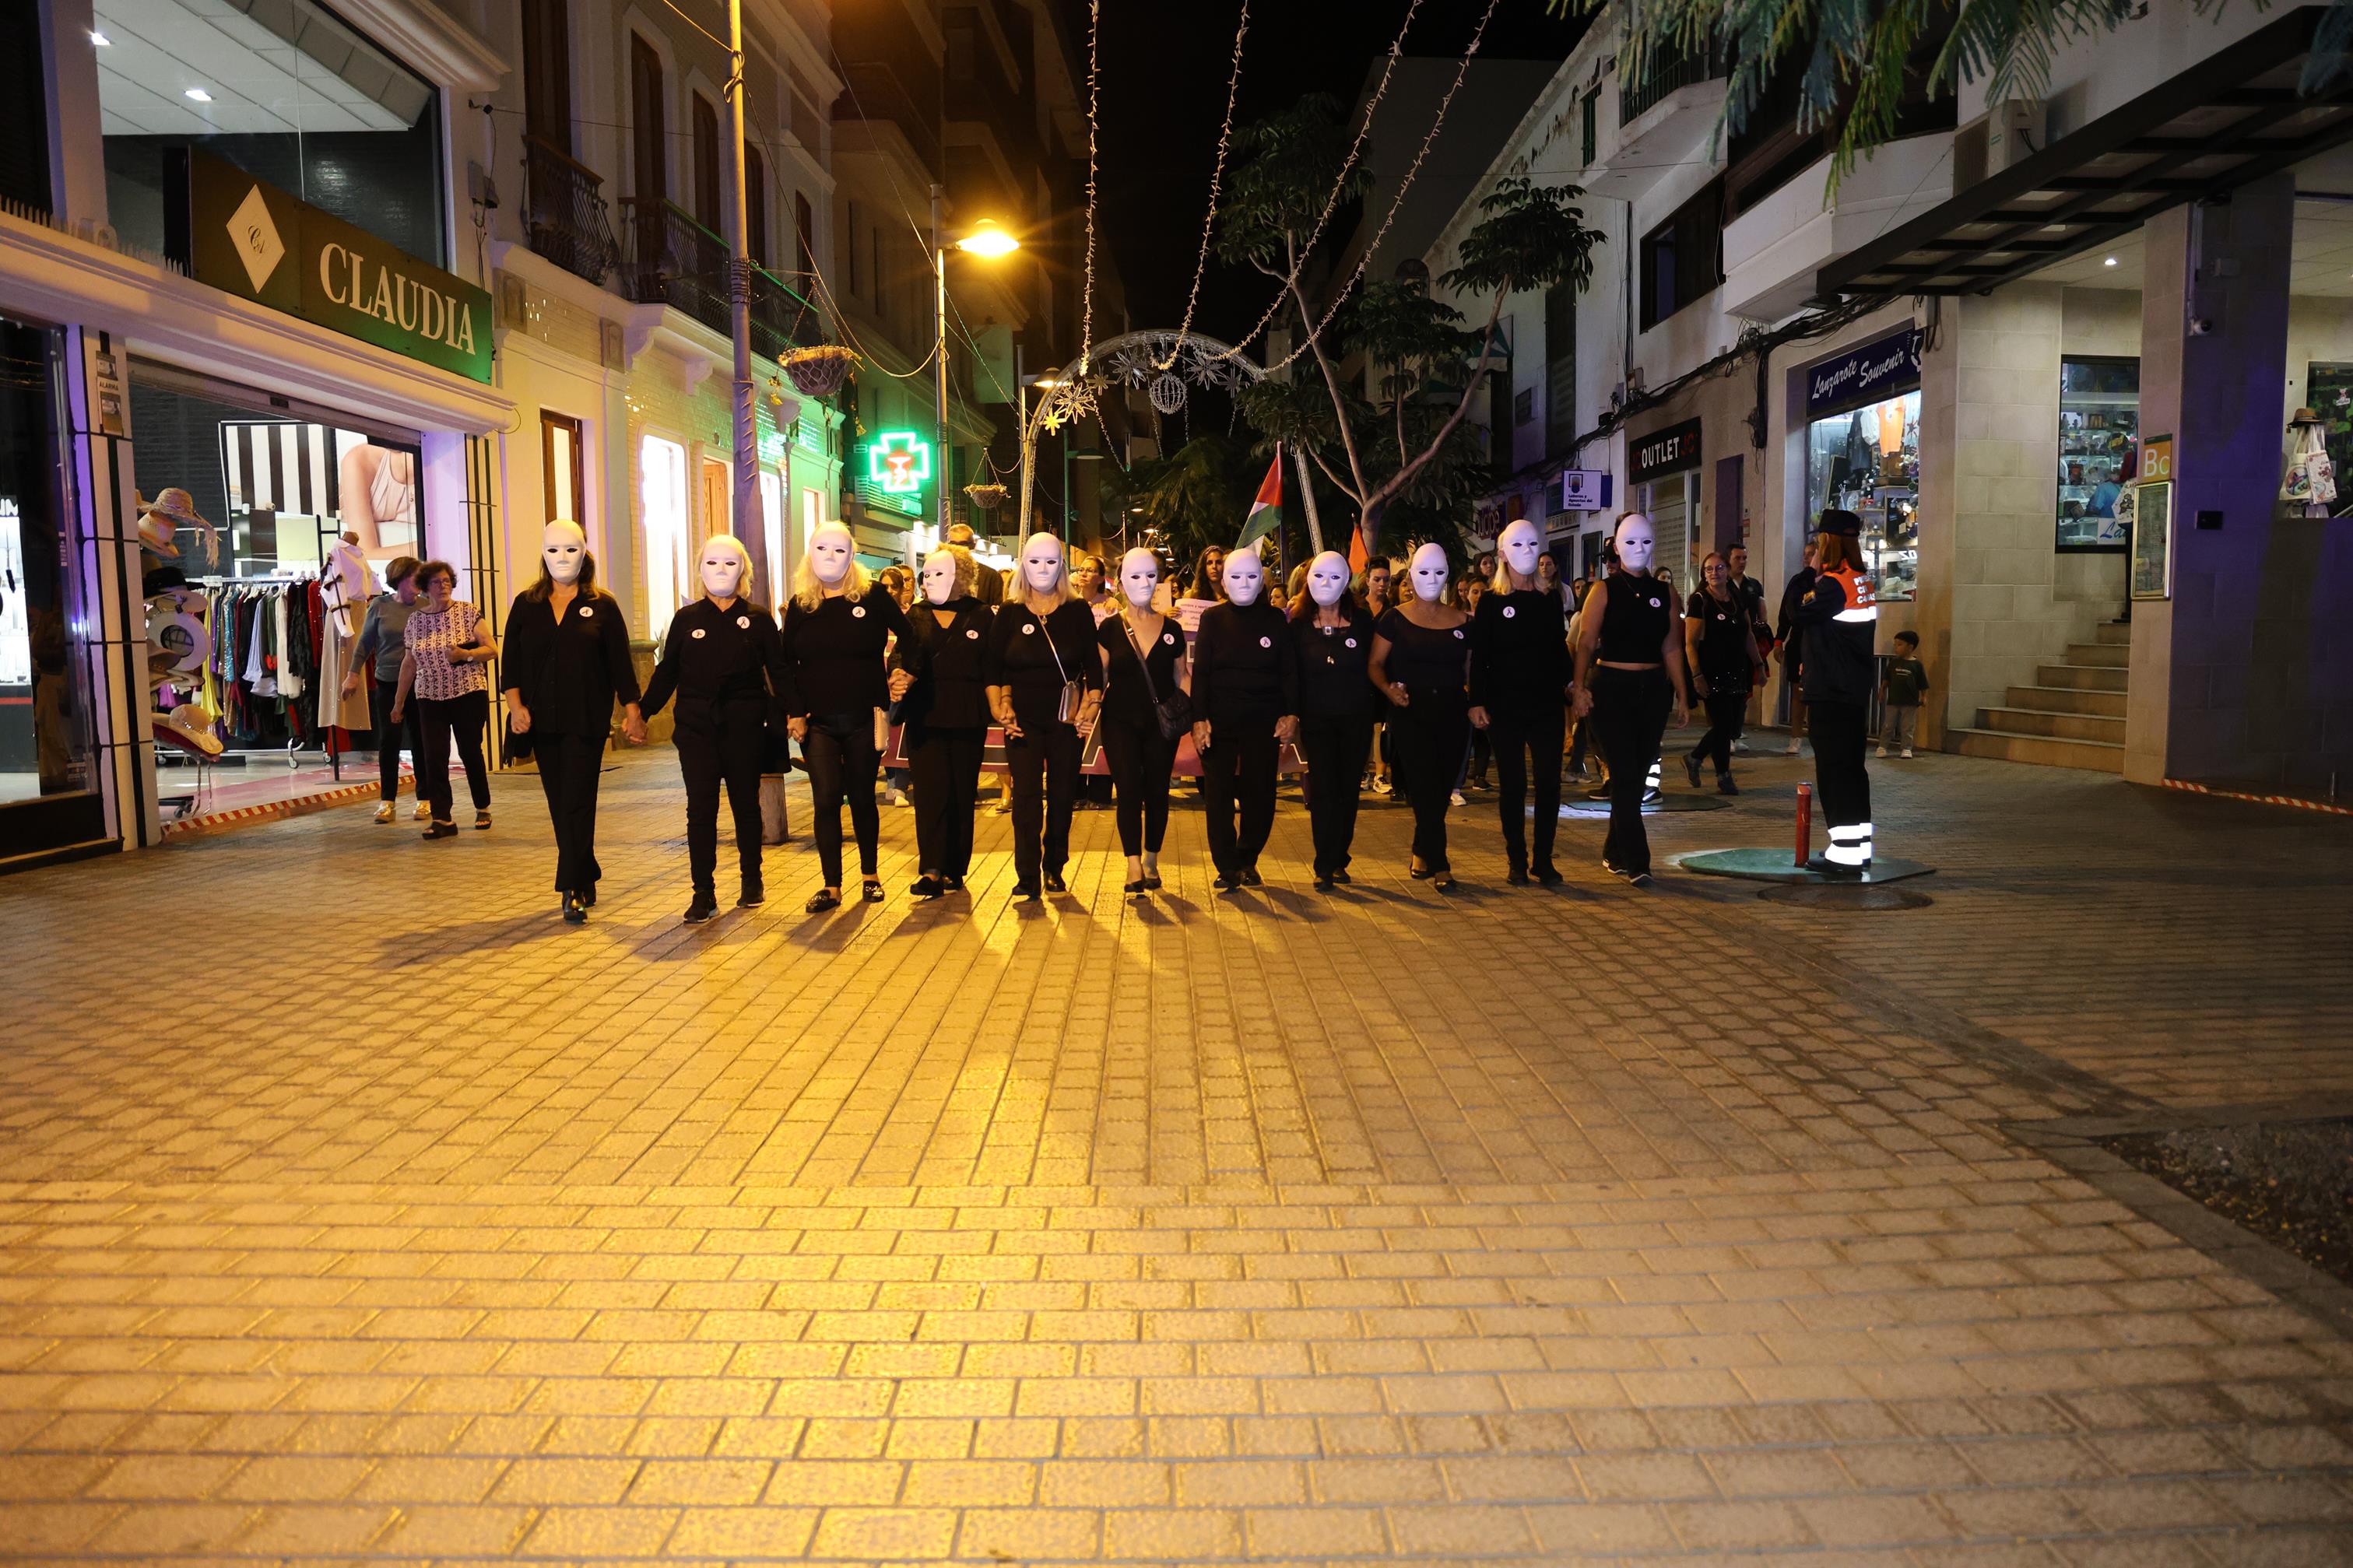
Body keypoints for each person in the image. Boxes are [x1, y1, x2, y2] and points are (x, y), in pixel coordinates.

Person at [501, 521, 644, 924]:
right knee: (559, 801)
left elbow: (620, 665)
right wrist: (515, 707)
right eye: (554, 551)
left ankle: (572, 887)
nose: (562, 558)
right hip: (541, 719)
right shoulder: (526, 604)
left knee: (578, 799)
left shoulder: (603, 605)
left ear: (583, 553)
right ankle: (586, 868)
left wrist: (633, 710)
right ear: (543, 555)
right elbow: (510, 663)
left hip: (586, 718)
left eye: (570, 550)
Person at [636, 535, 782, 921]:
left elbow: (779, 672)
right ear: (701, 569)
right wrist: (643, 712)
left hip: (743, 727)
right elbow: (667, 672)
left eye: (729, 564)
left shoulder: (759, 618)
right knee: (700, 810)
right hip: (697, 728)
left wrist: (795, 714)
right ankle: (703, 892)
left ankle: (752, 879)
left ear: (743, 572)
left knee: (745, 805)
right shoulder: (686, 620)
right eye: (712, 563)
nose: (720, 570)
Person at [778, 521, 911, 913]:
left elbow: (910, 634)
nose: (830, 558)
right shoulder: (801, 605)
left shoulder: (871, 596)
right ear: (810, 554)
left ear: (852, 556)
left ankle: (870, 876)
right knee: (824, 801)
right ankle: (832, 885)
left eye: (839, 551)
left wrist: (901, 672)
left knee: (861, 799)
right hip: (816, 721)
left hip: (863, 717)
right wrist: (794, 712)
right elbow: (785, 663)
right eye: (822, 550)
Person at [1572, 513, 1693, 887]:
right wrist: (1578, 688)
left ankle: (1613, 852)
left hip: (1653, 690)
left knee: (1634, 777)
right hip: (1611, 689)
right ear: (1616, 546)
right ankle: (1639, 860)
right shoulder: (1604, 590)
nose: (1638, 549)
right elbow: (1586, 642)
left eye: (1644, 542)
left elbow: (1672, 646)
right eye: (1629, 542)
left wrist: (1683, 696)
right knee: (1625, 773)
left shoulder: (1665, 592)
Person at [987, 532, 1103, 899]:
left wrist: (1092, 704)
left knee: (1062, 794)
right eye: (1034, 561)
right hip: (1022, 720)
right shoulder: (1009, 613)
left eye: (1051, 562)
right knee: (1025, 799)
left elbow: (1093, 669)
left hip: (1065, 719)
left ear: (1062, 567)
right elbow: (992, 667)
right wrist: (998, 705)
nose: (1042, 569)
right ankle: (1027, 875)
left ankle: (1054, 865)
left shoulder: (1077, 611)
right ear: (1023, 564)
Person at [1191, 549, 1298, 892]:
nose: (1244, 584)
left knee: (1261, 794)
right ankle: (1226, 865)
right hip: (1219, 722)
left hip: (1263, 721)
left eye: (1252, 577)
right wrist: (1199, 719)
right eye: (1235, 577)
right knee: (1218, 796)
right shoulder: (1212, 619)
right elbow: (1202, 674)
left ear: (1262, 581)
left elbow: (1288, 672)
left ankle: (1248, 857)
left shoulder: (1275, 620)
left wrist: (1291, 714)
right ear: (1223, 581)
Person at [1470, 520, 1571, 886]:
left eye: (1533, 544)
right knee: (1513, 784)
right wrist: (1477, 701)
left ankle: (1543, 859)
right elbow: (1480, 656)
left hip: (1545, 705)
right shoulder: (1492, 603)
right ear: (1502, 555)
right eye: (1519, 545)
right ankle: (1517, 860)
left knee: (1549, 783)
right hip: (1505, 706)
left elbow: (1558, 650)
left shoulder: (1549, 599)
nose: (1528, 552)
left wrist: (1573, 685)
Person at [1369, 542, 1471, 891]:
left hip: (1453, 716)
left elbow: (1473, 670)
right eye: (1423, 571)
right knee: (1424, 786)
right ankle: (1440, 863)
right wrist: (1388, 690)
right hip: (1411, 714)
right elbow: (1374, 664)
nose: (1431, 579)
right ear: (1410, 576)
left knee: (1441, 788)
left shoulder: (1462, 621)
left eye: (1439, 572)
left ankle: (1419, 850)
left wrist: (1477, 700)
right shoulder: (1394, 619)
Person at [897, 545, 992, 899]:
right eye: (927, 573)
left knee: (961, 793)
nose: (929, 579)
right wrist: (898, 675)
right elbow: (900, 656)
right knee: (930, 793)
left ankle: (955, 867)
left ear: (962, 577)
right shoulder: (916, 615)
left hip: (968, 716)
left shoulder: (981, 615)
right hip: (925, 715)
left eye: (940, 572)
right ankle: (931, 869)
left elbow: (992, 665)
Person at [1096, 547, 1187, 895]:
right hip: (1119, 721)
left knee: (1157, 790)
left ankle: (1151, 857)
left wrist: (1201, 713)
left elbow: (1183, 677)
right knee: (1129, 790)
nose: (1144, 583)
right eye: (1135, 576)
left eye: (1151, 575)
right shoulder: (1109, 628)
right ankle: (1133, 863)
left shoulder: (1173, 629)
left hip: (1161, 724)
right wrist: (1086, 709)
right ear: (1120, 582)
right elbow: (1099, 678)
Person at [1794, 511, 1878, 875]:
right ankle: (1859, 848)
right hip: (1853, 692)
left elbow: (1796, 612)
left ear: (1827, 541)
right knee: (1853, 771)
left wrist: (1807, 576)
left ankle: (1843, 854)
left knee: (1833, 772)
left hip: (1831, 691)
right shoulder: (1861, 580)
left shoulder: (1830, 585)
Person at [390, 561, 497, 839]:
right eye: (437, 582)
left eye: (447, 580)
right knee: (434, 756)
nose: (444, 585)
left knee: (469, 751)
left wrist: (465, 655)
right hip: (429, 695)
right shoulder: (416, 620)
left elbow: (492, 649)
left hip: (467, 692)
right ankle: (442, 818)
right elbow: (409, 664)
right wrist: (398, 703)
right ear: (426, 588)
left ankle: (482, 806)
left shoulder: (467, 612)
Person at [1291, 551, 1375, 890]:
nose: (1326, 583)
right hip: (1317, 723)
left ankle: (1340, 857)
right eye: (1319, 577)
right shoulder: (1297, 625)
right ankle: (1324, 864)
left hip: (1355, 719)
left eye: (1334, 577)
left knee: (1347, 792)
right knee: (1323, 792)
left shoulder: (1363, 621)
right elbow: (1291, 675)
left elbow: (1377, 664)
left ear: (1346, 583)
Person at [342, 556, 423, 823]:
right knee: (389, 741)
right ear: (400, 578)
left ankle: (425, 799)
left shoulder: (427, 607)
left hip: (421, 683)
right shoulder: (379, 605)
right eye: (415, 577)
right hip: (388, 682)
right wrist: (352, 675)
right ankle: (387, 801)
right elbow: (365, 643)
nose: (419, 583)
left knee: (421, 741)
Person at [1682, 551, 1769, 795]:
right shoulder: (1699, 600)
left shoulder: (1737, 598)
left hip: (1737, 670)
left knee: (1731, 727)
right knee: (1722, 725)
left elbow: (1748, 635)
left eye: (1719, 568)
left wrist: (1759, 665)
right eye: (1709, 569)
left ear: (1726, 570)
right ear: (1704, 574)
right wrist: (1696, 675)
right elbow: (1690, 642)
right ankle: (1723, 775)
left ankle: (1695, 758)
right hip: (1712, 672)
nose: (1714, 573)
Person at [1726, 544, 1772, 754]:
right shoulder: (1722, 584)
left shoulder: (1753, 585)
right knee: (1729, 693)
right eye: (1738, 558)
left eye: (1745, 558)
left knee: (1745, 691)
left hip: (1748, 642)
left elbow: (1762, 611)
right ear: (1729, 560)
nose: (1742, 562)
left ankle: (1735, 733)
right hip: (1728, 644)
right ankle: (1726, 735)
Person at [1775, 539, 1820, 756]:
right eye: (1804, 554)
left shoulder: (1827, 581)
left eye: (1811, 554)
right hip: (1799, 642)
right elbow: (1786, 612)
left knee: (1817, 693)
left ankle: (1817, 734)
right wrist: (1778, 640)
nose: (1806, 558)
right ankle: (1796, 737)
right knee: (1798, 691)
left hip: (1820, 643)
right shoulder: (1799, 581)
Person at [1878, 629, 1929, 759]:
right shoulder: (1894, 663)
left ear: (1910, 647)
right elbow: (1887, 678)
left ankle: (1906, 748)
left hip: (1910, 702)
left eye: (1900, 645)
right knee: (1888, 725)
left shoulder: (1916, 665)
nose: (1896, 648)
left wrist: (1923, 696)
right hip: (1894, 700)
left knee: (1907, 727)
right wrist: (1882, 690)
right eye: (1895, 645)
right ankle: (1883, 746)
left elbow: (1922, 683)